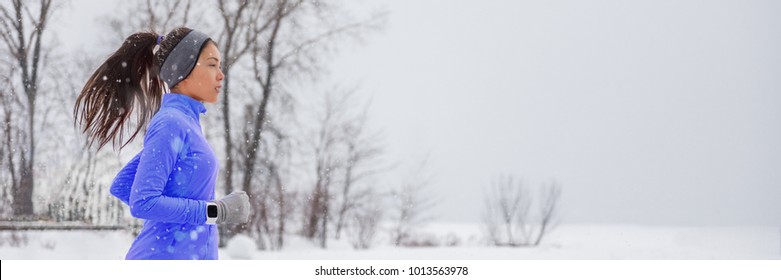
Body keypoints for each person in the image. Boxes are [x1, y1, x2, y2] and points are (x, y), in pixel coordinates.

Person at [73, 27, 250, 260]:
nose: (221, 74)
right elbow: (143, 202)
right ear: (184, 70)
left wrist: (177, 216)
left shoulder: (185, 123)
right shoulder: (171, 123)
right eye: (211, 64)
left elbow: (124, 184)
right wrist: (215, 211)